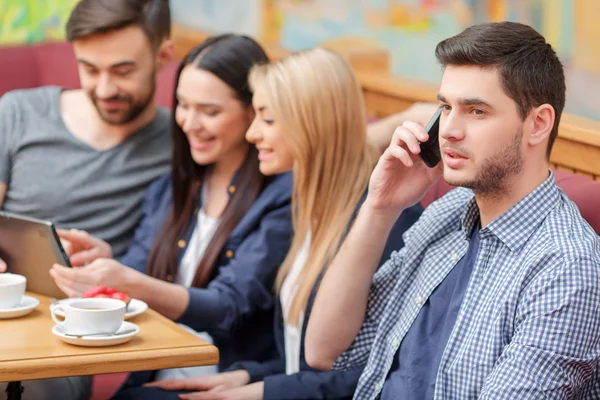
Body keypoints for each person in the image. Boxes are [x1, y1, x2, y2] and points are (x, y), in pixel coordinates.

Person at [305, 21, 600, 399]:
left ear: (538, 123)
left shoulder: (566, 269)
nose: (448, 131)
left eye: (476, 111)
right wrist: (379, 208)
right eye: (445, 107)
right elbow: (325, 352)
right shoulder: (448, 214)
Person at [125, 48, 423, 400]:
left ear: (310, 124)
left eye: (267, 120)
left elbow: (380, 371)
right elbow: (297, 356)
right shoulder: (311, 208)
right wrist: (247, 376)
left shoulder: (385, 223)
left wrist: (259, 391)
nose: (252, 134)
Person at [50, 33, 293, 387]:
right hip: (154, 377)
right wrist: (104, 262)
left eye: (209, 111)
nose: (189, 123)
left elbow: (229, 307)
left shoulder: (280, 198)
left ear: (253, 111)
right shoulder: (172, 186)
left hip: (223, 382)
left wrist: (129, 280)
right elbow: (139, 268)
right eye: (182, 104)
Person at [0, 0, 173, 398]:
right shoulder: (19, 112)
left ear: (163, 56)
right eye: (90, 69)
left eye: (123, 70)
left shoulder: (181, 145)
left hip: (69, 333)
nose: (106, 88)